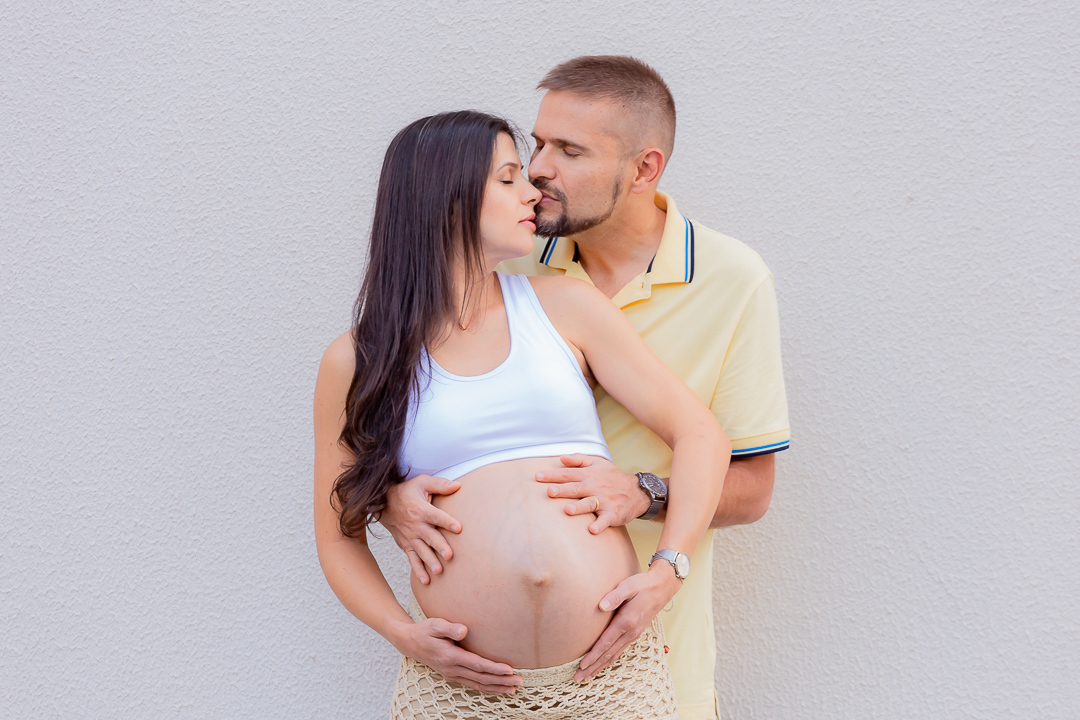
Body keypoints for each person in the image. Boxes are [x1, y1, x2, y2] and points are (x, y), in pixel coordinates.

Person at [380, 57, 790, 720]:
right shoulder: (510, 258)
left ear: (643, 169)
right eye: (538, 143)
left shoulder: (732, 281)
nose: (539, 169)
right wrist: (390, 500)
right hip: (486, 685)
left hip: (651, 666)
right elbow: (425, 415)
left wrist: (642, 494)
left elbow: (751, 489)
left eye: (568, 151)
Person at [313, 110, 731, 719]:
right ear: (445, 198)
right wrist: (402, 633)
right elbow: (335, 535)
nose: (532, 191)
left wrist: (669, 568)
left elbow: (700, 433)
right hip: (463, 693)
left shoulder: (564, 307)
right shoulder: (357, 358)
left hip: (609, 681)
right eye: (508, 178)